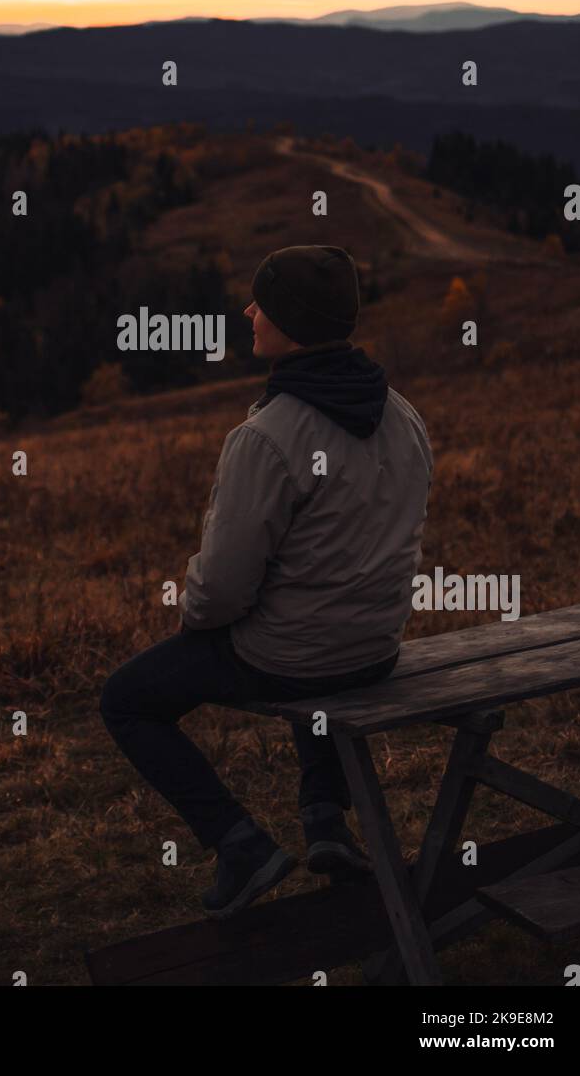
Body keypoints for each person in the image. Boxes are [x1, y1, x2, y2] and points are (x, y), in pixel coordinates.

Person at [100, 244, 433, 920]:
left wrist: (197, 620)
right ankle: (325, 820)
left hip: (296, 656)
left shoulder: (267, 436)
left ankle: (239, 845)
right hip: (374, 647)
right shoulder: (403, 414)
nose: (249, 311)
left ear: (293, 324)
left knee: (127, 700)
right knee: (307, 634)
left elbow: (220, 590)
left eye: (263, 304)